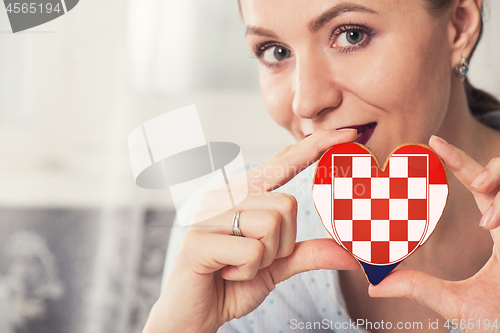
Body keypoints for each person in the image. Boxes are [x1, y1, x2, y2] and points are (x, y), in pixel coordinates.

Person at [144, 0, 500, 332]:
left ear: (459, 25)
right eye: (276, 52)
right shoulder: (227, 225)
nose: (306, 102)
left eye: (351, 35)